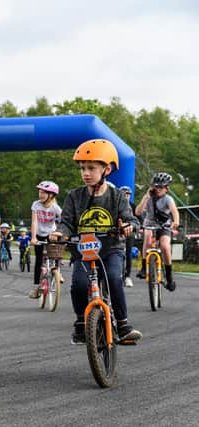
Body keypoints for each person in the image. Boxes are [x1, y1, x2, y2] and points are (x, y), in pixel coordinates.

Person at [50, 139, 142, 345]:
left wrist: (129, 226)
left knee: (113, 278)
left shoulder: (117, 196)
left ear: (107, 169)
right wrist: (59, 233)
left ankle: (123, 323)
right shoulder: (75, 196)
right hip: (83, 252)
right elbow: (66, 223)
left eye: (91, 168)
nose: (86, 173)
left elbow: (131, 219)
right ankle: (81, 323)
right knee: (79, 286)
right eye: (82, 168)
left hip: (111, 250)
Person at [134, 172, 180, 291]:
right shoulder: (149, 198)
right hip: (149, 224)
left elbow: (174, 211)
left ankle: (169, 276)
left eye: (161, 187)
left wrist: (175, 222)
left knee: (165, 246)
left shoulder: (168, 199)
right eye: (156, 186)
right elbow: (138, 212)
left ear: (166, 188)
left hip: (164, 226)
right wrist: (145, 198)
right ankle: (144, 267)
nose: (158, 189)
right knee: (147, 237)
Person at [29, 181, 62, 298]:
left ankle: (57, 272)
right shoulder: (36, 204)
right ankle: (37, 286)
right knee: (38, 260)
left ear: (51, 195)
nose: (41, 194)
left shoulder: (55, 207)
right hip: (38, 234)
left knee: (55, 253)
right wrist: (33, 237)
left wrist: (58, 232)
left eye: (44, 193)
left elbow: (63, 220)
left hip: (51, 234)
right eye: (40, 192)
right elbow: (34, 221)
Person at [118, 186, 137, 288]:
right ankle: (118, 275)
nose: (126, 196)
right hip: (117, 232)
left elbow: (138, 218)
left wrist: (138, 227)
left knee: (128, 253)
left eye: (128, 194)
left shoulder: (133, 206)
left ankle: (128, 276)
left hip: (129, 231)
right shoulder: (116, 205)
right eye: (124, 194)